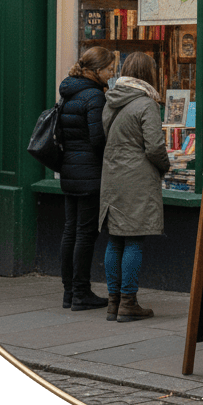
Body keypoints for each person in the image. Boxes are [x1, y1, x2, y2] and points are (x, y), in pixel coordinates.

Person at [100, 52, 169, 322]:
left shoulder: (111, 101)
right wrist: (165, 165)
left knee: (115, 239)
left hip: (112, 175)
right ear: (148, 73)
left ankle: (113, 302)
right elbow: (154, 147)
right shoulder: (146, 104)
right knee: (134, 239)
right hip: (137, 178)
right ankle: (129, 301)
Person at [57, 46, 116, 311]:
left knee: (70, 230)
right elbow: (97, 139)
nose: (112, 73)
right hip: (90, 173)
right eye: (109, 69)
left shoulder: (69, 93)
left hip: (69, 169)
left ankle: (69, 292)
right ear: (96, 70)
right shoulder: (94, 96)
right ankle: (81, 292)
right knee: (85, 233)